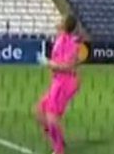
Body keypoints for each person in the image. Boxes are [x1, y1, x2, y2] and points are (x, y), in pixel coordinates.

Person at [36, 15, 82, 154]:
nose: (58, 22)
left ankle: (59, 149)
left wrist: (49, 63)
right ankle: (58, 139)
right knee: (40, 110)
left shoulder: (70, 43)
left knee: (51, 116)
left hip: (65, 82)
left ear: (65, 25)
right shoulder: (60, 39)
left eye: (61, 20)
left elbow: (69, 66)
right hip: (58, 80)